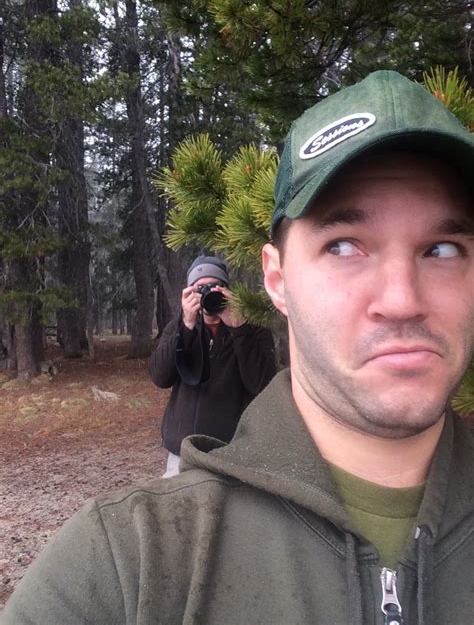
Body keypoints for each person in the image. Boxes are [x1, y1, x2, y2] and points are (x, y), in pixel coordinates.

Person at [3, 70, 474, 625]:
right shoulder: (130, 562)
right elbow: (161, 375)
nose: (400, 300)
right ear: (278, 280)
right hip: (195, 455)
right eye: (344, 245)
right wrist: (184, 326)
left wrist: (236, 323)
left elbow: (259, 378)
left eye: (442, 249)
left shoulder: (244, 330)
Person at [149, 255, 276, 477]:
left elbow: (262, 384)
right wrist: (186, 328)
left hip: (232, 450)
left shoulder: (252, 329)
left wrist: (239, 328)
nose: (208, 294)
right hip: (183, 451)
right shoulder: (179, 327)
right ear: (188, 293)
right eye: (201, 289)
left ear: (227, 291)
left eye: (215, 287)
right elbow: (160, 377)